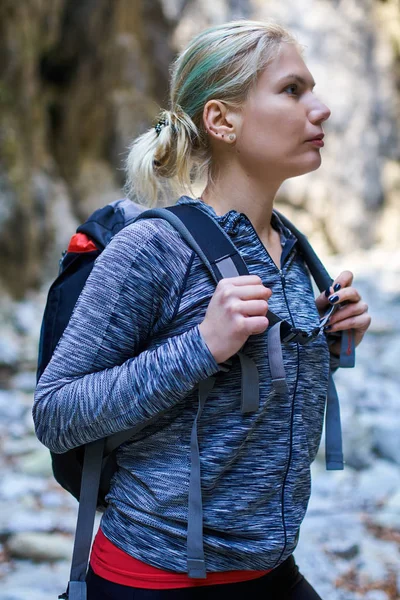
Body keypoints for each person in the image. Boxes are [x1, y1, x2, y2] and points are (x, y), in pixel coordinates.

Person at [33, 19, 371, 600]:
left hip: (269, 569)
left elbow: (239, 407)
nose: (321, 109)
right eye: (292, 90)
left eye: (312, 89)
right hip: (156, 578)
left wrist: (326, 340)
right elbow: (57, 412)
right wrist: (201, 347)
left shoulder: (291, 251)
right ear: (222, 120)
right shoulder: (154, 249)